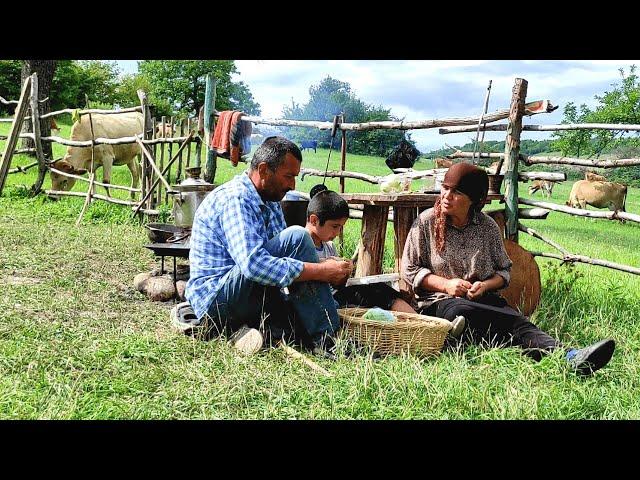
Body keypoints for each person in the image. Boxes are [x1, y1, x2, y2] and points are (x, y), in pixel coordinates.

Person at [401, 162, 615, 375]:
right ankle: (481, 339)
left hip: (484, 301)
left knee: (518, 322)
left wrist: (484, 286)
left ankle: (571, 357)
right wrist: (447, 285)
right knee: (463, 312)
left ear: (474, 199)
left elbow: (504, 272)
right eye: (445, 188)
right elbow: (409, 270)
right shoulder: (426, 222)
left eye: (457, 192)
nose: (447, 196)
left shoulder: (487, 228)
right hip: (439, 303)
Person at [185, 136, 352, 357]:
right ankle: (328, 340)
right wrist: (321, 271)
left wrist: (326, 266)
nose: (293, 185)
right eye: (289, 176)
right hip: (216, 302)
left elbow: (282, 261)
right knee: (297, 237)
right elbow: (254, 265)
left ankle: (322, 334)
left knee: (300, 255)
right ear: (263, 170)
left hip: (246, 293)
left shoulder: (269, 200)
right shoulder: (237, 199)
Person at [304, 189, 420, 315]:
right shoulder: (302, 245)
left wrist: (343, 274)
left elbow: (337, 286)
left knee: (379, 290)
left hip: (334, 297)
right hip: (320, 303)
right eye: (334, 226)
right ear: (314, 220)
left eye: (340, 227)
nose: (337, 233)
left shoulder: (329, 247)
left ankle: (416, 322)